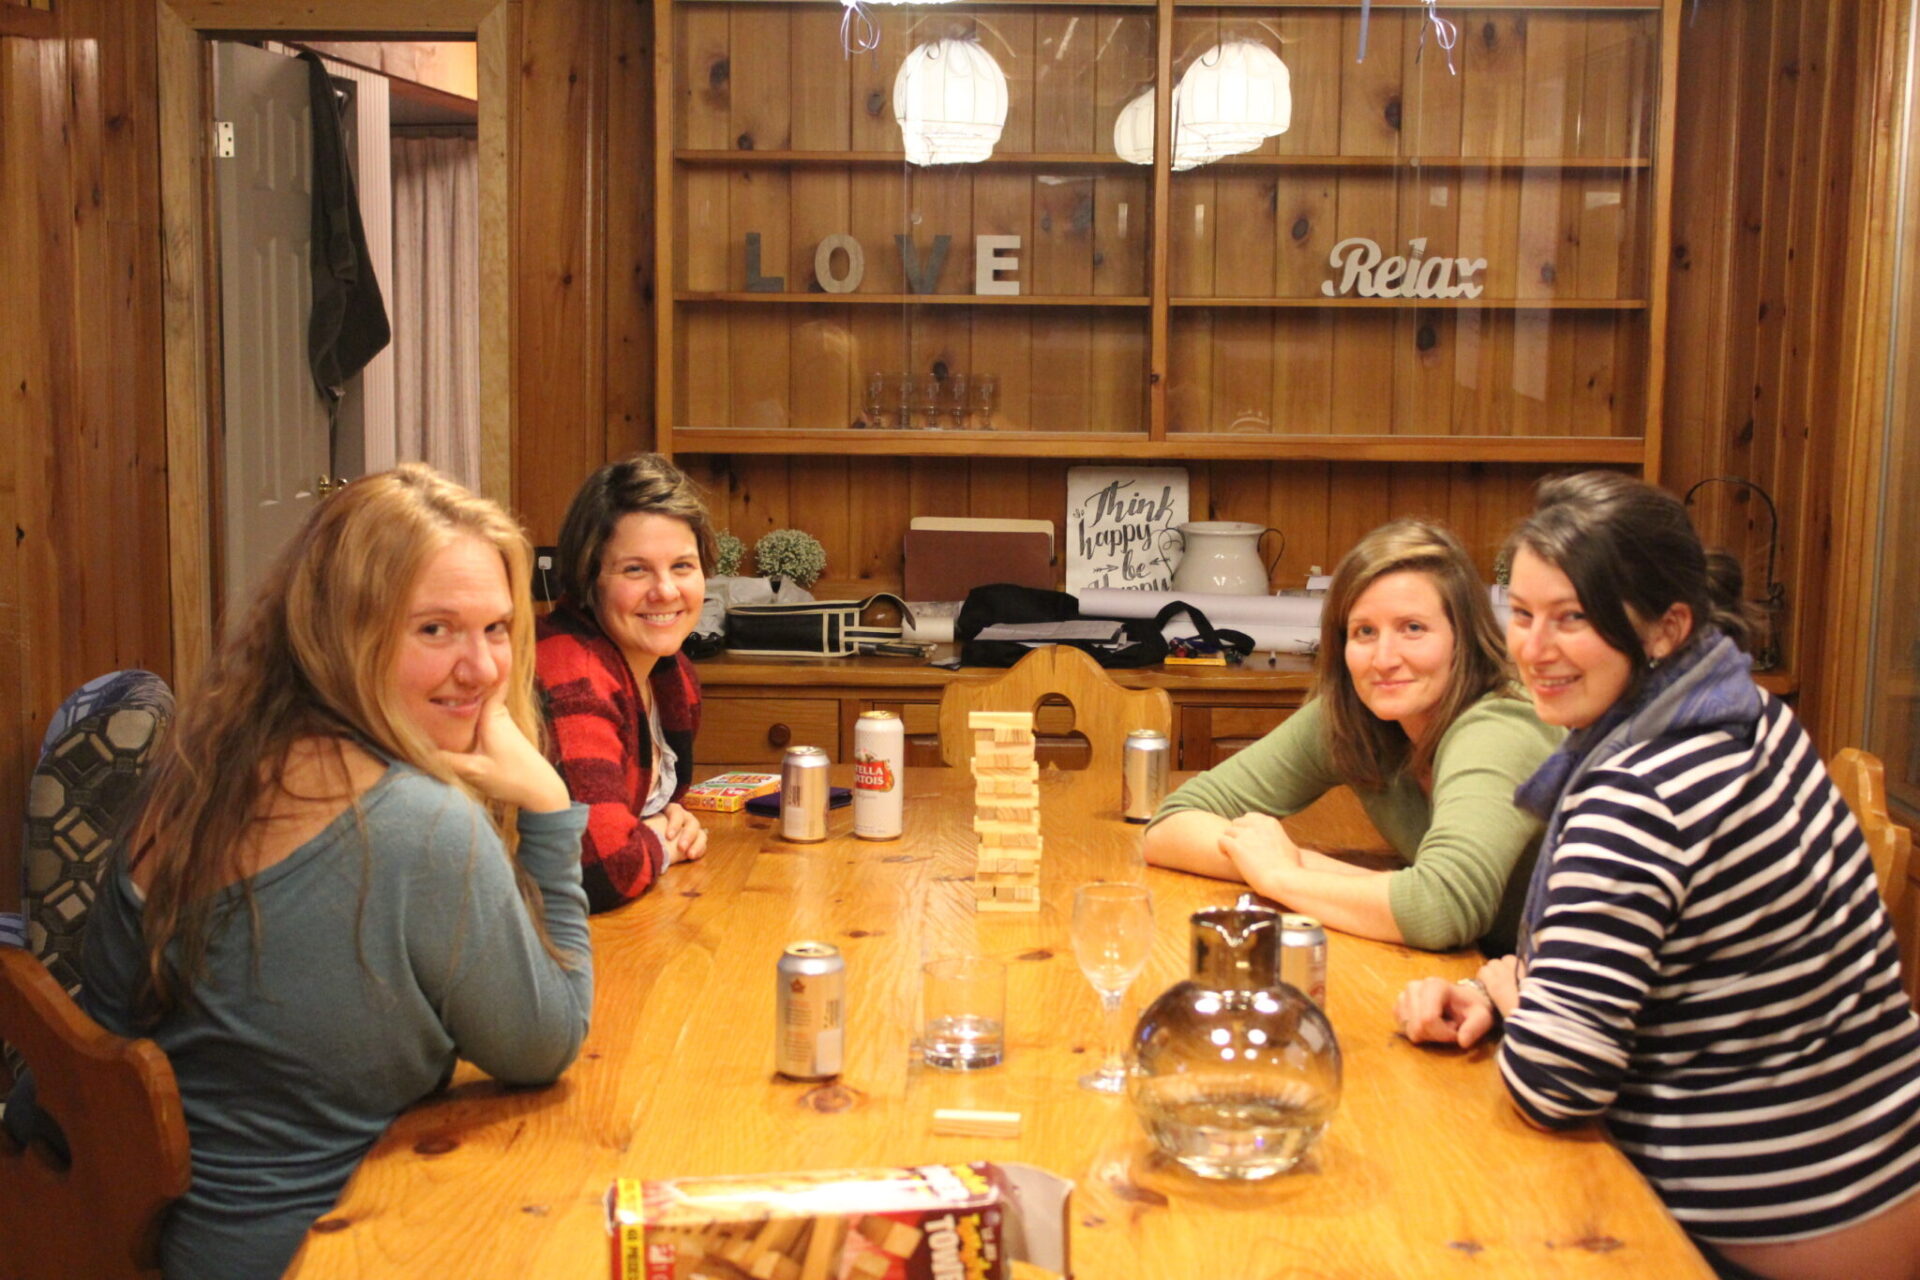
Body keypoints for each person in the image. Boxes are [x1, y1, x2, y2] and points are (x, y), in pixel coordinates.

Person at [10, 465, 594, 1279]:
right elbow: (548, 1040)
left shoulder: (195, 769)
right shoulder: (424, 828)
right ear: (340, 632)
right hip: (324, 1254)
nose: (483, 669)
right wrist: (550, 808)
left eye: (496, 628)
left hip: (132, 1242)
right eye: (434, 630)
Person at [1395, 472, 1920, 1280]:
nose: (1533, 650)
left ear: (1668, 627)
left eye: (1574, 618)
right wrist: (1533, 995)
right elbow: (1681, 964)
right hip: (1881, 1159)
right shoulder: (1747, 712)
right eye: (1523, 613)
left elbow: (1556, 1087)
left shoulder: (1636, 794)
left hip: (1784, 1214)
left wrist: (1514, 996)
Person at [1144, 520, 1560, 954]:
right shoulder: (1356, 712)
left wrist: (1284, 875)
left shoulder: (1499, 726)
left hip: (1566, 996)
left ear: (1464, 638)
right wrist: (1308, 867)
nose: (1383, 659)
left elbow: (1442, 909)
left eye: (1412, 628)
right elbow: (1170, 824)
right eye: (1364, 631)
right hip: (1479, 977)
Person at [536, 453, 713, 911]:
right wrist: (660, 845)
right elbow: (603, 870)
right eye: (635, 569)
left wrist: (663, 819)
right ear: (589, 575)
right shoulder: (573, 672)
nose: (666, 592)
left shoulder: (671, 674)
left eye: (682, 566)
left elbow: (630, 814)